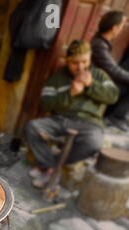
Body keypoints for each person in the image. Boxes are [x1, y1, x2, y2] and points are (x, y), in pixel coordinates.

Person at [25, 40, 119, 188]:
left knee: (94, 142)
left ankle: (51, 165)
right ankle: (49, 167)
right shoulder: (58, 77)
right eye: (75, 63)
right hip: (61, 119)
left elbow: (113, 96)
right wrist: (70, 94)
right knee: (33, 127)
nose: (80, 67)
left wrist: (90, 85)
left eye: (84, 61)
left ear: (90, 59)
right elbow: (45, 103)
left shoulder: (99, 75)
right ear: (67, 61)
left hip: (89, 122)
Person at [91, 10, 129, 131]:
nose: (122, 29)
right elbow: (112, 70)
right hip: (96, 83)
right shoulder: (98, 45)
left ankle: (115, 116)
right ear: (114, 28)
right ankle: (114, 118)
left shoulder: (102, 42)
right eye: (122, 26)